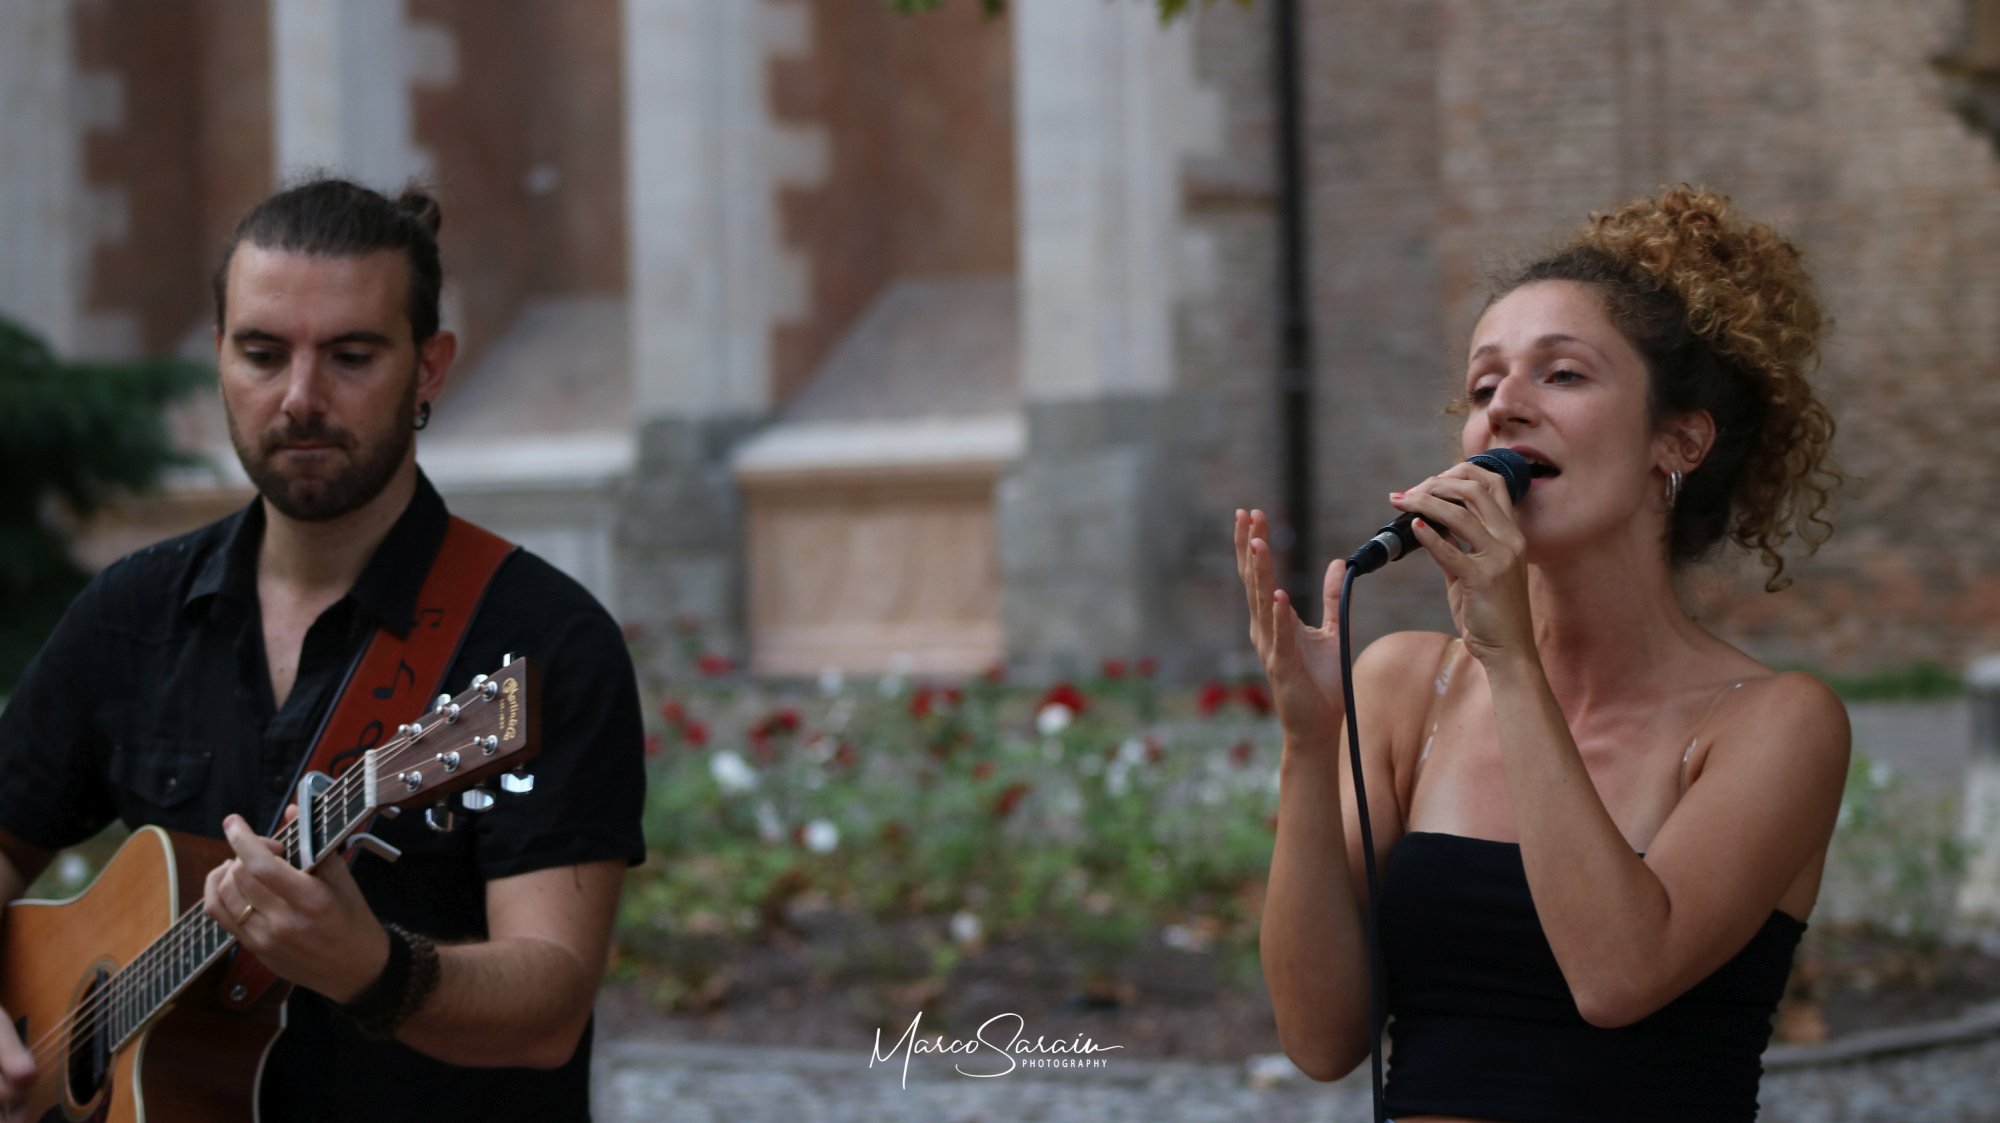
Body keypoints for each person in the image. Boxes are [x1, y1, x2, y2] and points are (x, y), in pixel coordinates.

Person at [0, 178, 646, 1122]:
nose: (301, 399)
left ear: (429, 367)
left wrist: (373, 970)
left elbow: (547, 1006)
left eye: (350, 355)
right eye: (262, 353)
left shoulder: (538, 645)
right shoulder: (133, 613)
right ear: (219, 357)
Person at [1238, 185, 1848, 1121]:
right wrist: (1309, 748)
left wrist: (1513, 659)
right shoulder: (1408, 687)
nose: (1505, 408)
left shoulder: (1774, 722)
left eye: (1561, 375)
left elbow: (1616, 975)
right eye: (1483, 387)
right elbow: (1319, 1039)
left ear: (1676, 440)